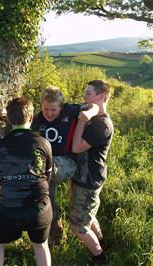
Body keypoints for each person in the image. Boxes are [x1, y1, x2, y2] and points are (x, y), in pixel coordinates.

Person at [0, 97, 53, 266]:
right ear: (31, 118)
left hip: (9, 209)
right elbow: (48, 175)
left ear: (8, 119)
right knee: (41, 245)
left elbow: (1, 172)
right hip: (39, 208)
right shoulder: (43, 143)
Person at [32, 86, 99, 245]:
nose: (49, 113)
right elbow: (21, 122)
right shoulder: (38, 118)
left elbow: (94, 107)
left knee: (42, 165)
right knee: (48, 201)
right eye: (46, 109)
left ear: (61, 107)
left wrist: (87, 114)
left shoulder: (70, 111)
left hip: (68, 162)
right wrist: (7, 117)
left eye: (53, 110)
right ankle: (55, 237)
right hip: (50, 168)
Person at [71, 80, 114, 266]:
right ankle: (102, 243)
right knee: (89, 214)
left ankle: (99, 258)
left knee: (78, 228)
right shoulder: (95, 117)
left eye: (88, 93)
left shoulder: (101, 125)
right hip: (84, 177)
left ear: (101, 96)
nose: (84, 97)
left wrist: (83, 119)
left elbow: (77, 147)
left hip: (89, 180)